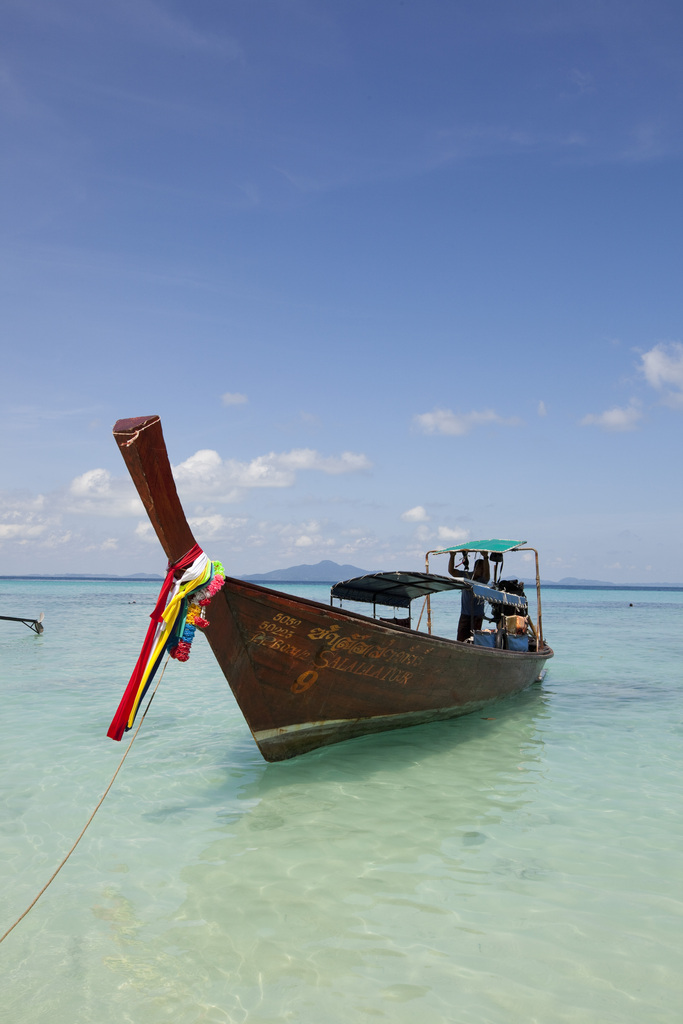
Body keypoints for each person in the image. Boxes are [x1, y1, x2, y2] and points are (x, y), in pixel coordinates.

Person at [448, 552, 490, 642]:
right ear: (476, 568)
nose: (483, 571)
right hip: (465, 614)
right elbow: (451, 571)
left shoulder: (482, 580)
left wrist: (486, 557)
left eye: (484, 569)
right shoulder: (466, 576)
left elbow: (487, 575)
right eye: (481, 569)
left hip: (477, 615)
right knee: (461, 638)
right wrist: (452, 556)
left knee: (474, 639)